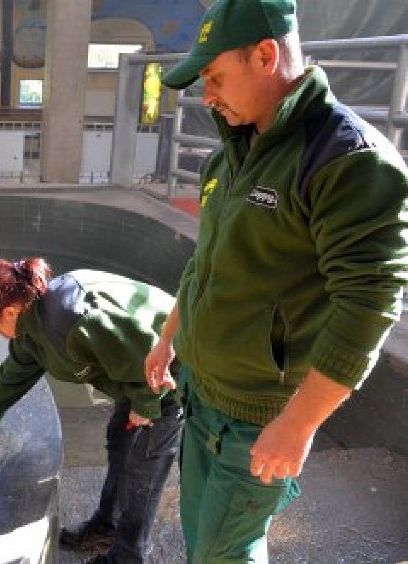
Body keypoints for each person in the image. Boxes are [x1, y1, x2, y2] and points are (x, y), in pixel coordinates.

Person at [145, 0, 408, 562]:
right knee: (206, 547)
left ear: (265, 55)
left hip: (258, 416)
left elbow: (370, 301)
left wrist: (299, 424)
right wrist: (170, 338)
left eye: (215, 78)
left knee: (224, 553)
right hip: (202, 394)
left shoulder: (347, 159)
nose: (206, 96)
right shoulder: (234, 154)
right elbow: (205, 263)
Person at [0, 257, 182, 564]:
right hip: (135, 374)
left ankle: (128, 557)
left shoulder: (72, 320)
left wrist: (146, 405)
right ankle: (107, 527)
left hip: (167, 376)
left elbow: (152, 353)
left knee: (143, 467)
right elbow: (16, 371)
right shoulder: (32, 323)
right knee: (120, 442)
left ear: (9, 311)